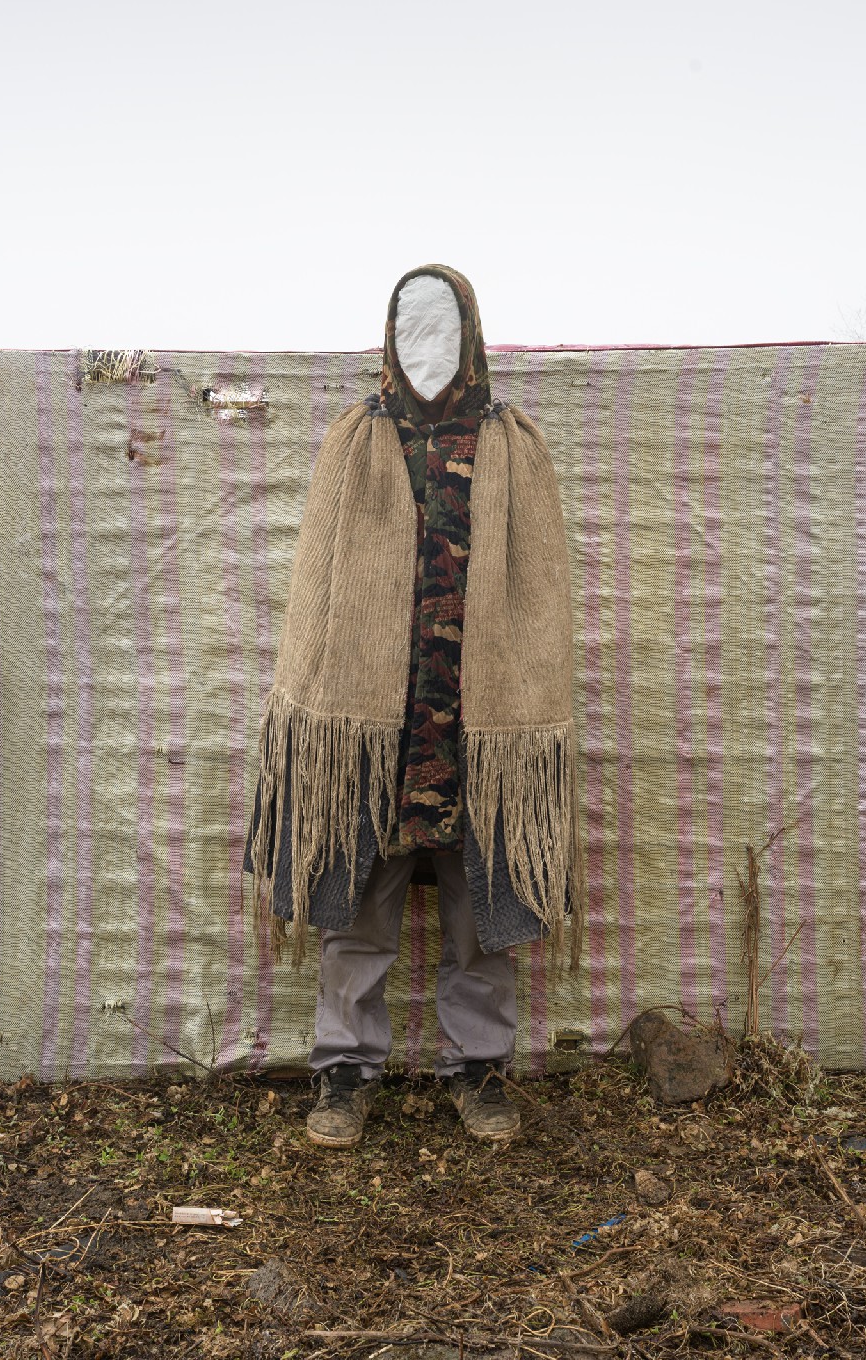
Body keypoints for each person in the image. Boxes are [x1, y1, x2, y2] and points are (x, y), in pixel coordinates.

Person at [245, 265, 582, 1148]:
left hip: (483, 716)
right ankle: (344, 1073)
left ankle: (480, 1071)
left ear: (472, 336)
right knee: (358, 904)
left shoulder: (513, 444)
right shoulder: (355, 439)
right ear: (388, 339)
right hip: (371, 719)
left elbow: (543, 589)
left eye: (443, 328)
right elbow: (318, 588)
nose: (426, 347)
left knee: (481, 912)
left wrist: (522, 686)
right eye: (410, 327)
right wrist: (327, 692)